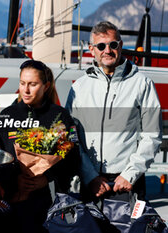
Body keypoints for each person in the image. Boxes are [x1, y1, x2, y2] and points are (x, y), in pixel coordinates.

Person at [66, 21, 162, 201]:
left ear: (121, 46)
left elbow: (152, 134)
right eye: (101, 46)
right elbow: (72, 136)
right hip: (91, 183)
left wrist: (130, 174)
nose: (107, 50)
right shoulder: (79, 88)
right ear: (91, 49)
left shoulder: (142, 84)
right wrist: (89, 175)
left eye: (113, 45)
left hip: (127, 183)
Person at [0, 59, 80, 233]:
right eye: (22, 83)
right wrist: (14, 178)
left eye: (32, 84)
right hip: (9, 201)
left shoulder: (59, 116)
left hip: (43, 204)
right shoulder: (7, 115)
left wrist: (47, 177)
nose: (26, 90)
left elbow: (73, 158)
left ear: (46, 85)